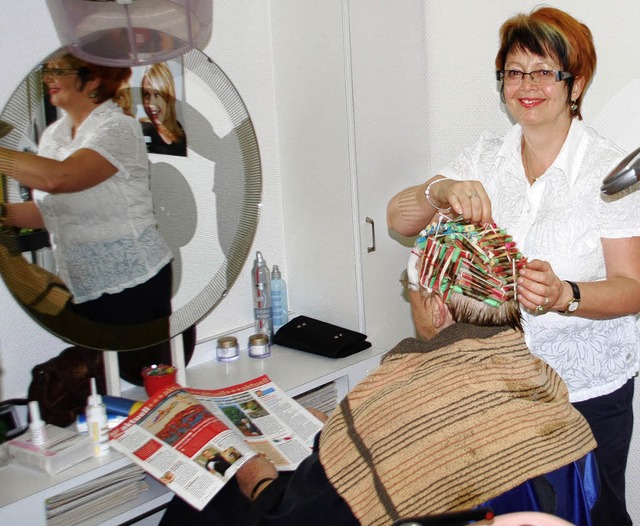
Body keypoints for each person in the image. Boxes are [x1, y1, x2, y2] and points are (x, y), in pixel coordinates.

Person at [160, 219, 607, 526]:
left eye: (408, 287)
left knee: (203, 501)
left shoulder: (388, 400)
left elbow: (294, 519)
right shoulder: (541, 384)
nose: (407, 297)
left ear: (434, 304)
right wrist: (343, 433)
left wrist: (253, 474)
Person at [386, 8, 640, 523]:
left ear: (576, 84)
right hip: (490, 389)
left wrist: (565, 294)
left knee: (590, 511)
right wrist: (442, 190)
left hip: (583, 395)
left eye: (545, 71)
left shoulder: (605, 171)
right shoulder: (484, 157)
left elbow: (633, 288)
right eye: (515, 71)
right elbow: (398, 216)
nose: (528, 85)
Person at [0, 51, 174, 384]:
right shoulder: (53, 135)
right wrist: (4, 214)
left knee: (143, 383)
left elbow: (60, 178)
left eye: (57, 71)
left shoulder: (119, 129)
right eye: (45, 70)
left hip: (134, 280)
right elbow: (52, 210)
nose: (47, 78)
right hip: (81, 283)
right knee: (103, 386)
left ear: (92, 79)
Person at [139, 62, 187, 157]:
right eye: (146, 95)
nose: (151, 103)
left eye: (157, 94)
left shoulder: (181, 132)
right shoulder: (143, 131)